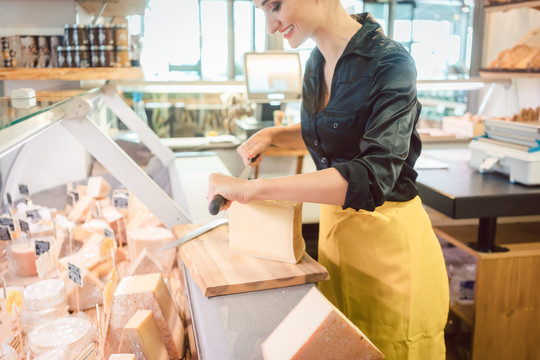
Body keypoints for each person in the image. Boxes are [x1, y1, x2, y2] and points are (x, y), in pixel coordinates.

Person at [207, 1, 449, 358]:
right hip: (337, 240)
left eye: (275, 6)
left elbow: (371, 175)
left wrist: (251, 190)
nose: (271, 25)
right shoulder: (316, 62)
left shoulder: (391, 62)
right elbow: (333, 133)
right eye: (262, 11)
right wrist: (276, 135)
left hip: (390, 250)